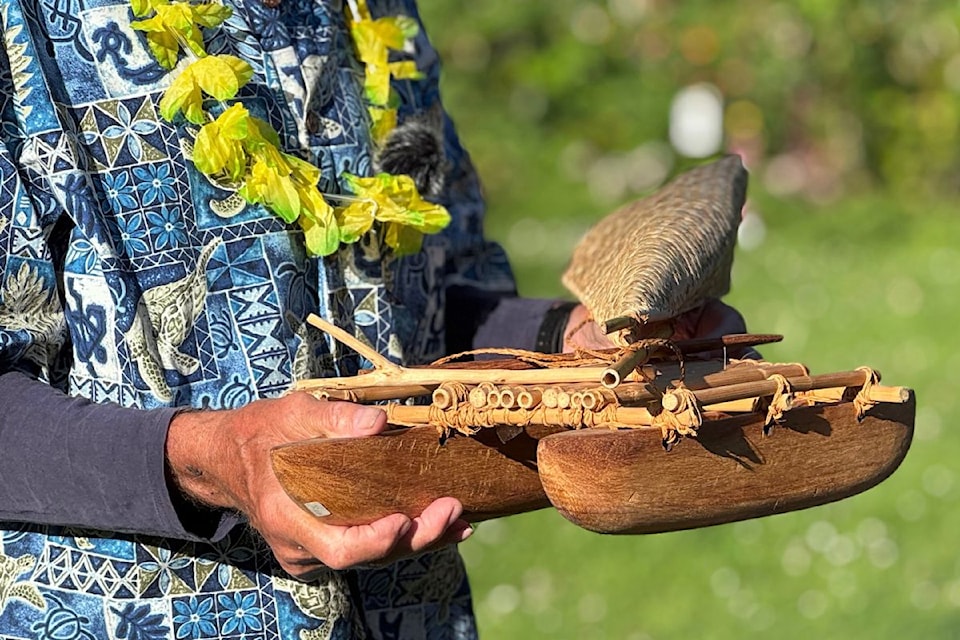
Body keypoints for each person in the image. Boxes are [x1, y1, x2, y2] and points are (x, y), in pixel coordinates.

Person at [0, 0, 748, 638]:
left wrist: (567, 345)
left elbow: (413, 315)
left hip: (413, 612)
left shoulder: (375, 12)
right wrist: (215, 458)